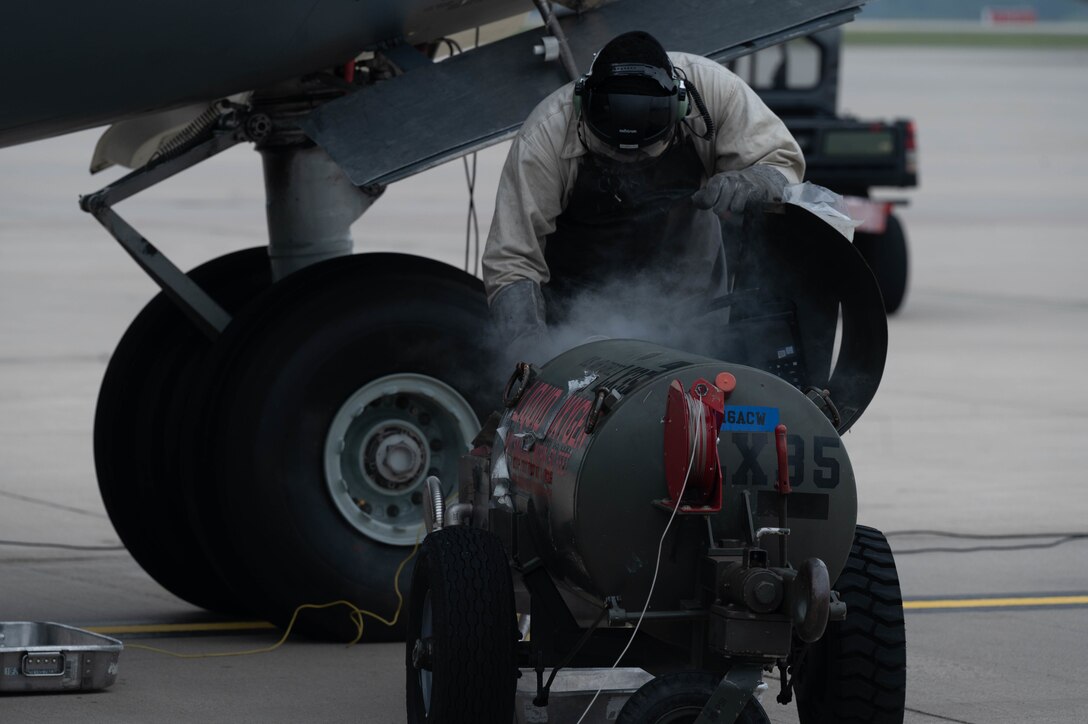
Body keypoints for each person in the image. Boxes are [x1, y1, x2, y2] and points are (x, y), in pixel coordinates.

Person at [483, 30, 804, 365]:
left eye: (644, 154)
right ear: (582, 106)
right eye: (614, 154)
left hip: (692, 302)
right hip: (576, 315)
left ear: (681, 106)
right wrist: (531, 351)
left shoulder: (713, 92)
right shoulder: (545, 136)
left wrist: (754, 179)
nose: (632, 168)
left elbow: (780, 161)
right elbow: (512, 261)